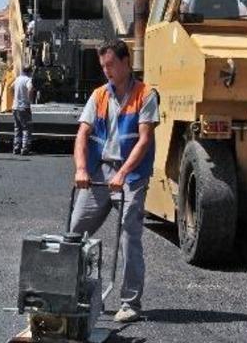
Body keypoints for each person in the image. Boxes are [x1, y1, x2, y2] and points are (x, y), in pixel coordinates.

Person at [71, 39, 159, 323]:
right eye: (103, 66)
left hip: (131, 176)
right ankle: (74, 293)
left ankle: (131, 303)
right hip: (99, 172)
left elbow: (144, 140)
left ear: (125, 62)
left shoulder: (145, 94)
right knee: (75, 231)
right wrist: (82, 168)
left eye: (110, 65)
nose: (106, 70)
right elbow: (82, 135)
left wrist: (122, 174)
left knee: (128, 235)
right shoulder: (98, 95)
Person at [12, 66, 35, 155]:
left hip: (15, 107)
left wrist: (15, 98)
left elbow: (11, 87)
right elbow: (30, 89)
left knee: (17, 128)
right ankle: (25, 148)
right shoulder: (28, 80)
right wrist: (30, 100)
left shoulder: (17, 79)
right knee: (26, 128)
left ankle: (16, 147)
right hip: (24, 107)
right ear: (30, 72)